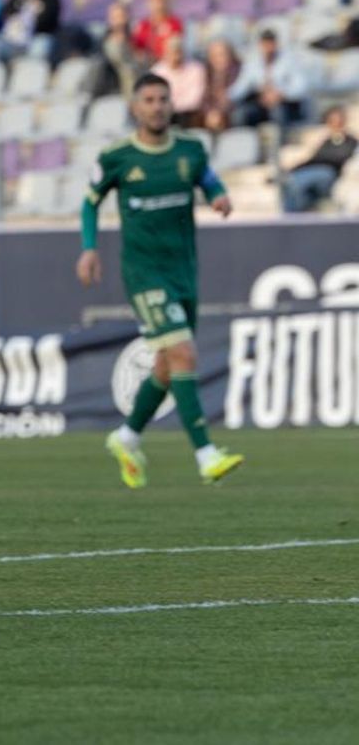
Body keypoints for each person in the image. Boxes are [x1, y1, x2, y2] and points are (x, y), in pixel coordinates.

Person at [78, 73, 243, 489]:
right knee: (184, 353)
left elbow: (206, 178)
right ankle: (207, 455)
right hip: (143, 273)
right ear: (135, 108)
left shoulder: (190, 149)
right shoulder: (117, 157)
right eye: (148, 99)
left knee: (167, 367)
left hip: (183, 271)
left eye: (163, 99)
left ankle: (126, 437)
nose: (156, 106)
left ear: (172, 105)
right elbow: (90, 201)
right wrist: (89, 247)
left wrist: (219, 194)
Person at [280, 107, 356, 213]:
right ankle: (291, 218)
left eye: (338, 121)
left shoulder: (350, 141)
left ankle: (290, 220)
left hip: (329, 173)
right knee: (291, 186)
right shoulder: (325, 141)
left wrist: (323, 156)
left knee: (295, 183)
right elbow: (312, 159)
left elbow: (339, 158)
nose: (335, 124)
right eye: (332, 121)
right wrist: (292, 169)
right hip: (314, 170)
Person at [228, 29, 307, 130]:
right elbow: (242, 85)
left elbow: (300, 86)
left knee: (278, 114)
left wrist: (281, 94)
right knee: (241, 114)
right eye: (265, 44)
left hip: (283, 103)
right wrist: (228, 96)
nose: (268, 47)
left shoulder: (289, 60)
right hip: (260, 103)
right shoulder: (253, 62)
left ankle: (279, 143)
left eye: (271, 43)